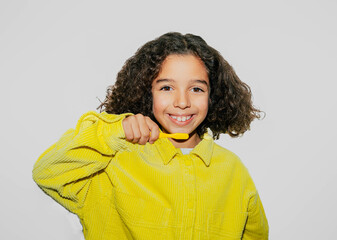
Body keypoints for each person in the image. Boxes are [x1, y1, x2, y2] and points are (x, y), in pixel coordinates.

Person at [33, 32, 269, 240]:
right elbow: (47, 172)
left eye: (196, 89)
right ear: (147, 93)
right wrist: (115, 130)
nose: (182, 102)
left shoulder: (233, 171)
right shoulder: (110, 161)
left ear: (213, 96)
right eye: (166, 87)